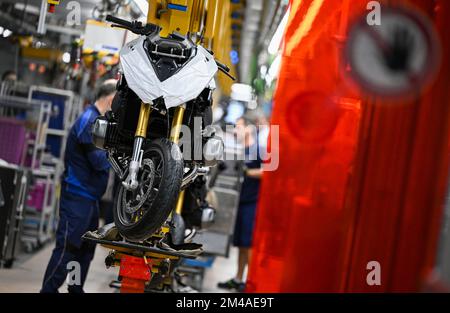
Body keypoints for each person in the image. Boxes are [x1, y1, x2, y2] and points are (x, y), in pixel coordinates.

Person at [41, 80, 117, 293]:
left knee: (84, 249)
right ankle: (47, 290)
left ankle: (75, 289)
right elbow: (100, 162)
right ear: (111, 99)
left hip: (90, 199)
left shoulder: (97, 120)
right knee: (68, 247)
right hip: (77, 196)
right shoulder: (89, 120)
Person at [218, 115, 263, 292]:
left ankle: (252, 282)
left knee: (249, 244)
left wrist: (247, 172)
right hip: (240, 202)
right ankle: (238, 278)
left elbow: (268, 173)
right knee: (242, 244)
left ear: (249, 129)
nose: (236, 130)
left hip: (252, 204)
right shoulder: (240, 150)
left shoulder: (258, 150)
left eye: (239, 127)